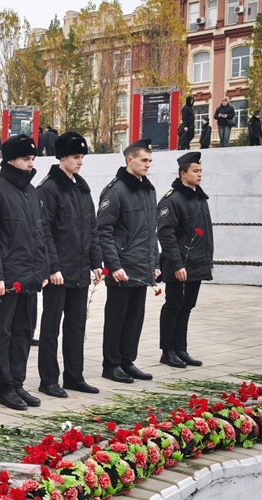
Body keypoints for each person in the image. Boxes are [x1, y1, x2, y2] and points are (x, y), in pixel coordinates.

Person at [0, 134, 52, 411]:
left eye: (32, 159)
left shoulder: (31, 191)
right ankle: (5, 387)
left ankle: (18, 383)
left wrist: (43, 269)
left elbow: (40, 234)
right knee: (3, 332)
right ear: (9, 160)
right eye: (25, 159)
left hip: (29, 275)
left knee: (24, 331)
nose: (31, 164)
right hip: (6, 278)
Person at [37, 132, 102, 397]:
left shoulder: (82, 188)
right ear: (62, 157)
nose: (80, 161)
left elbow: (92, 228)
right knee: (51, 328)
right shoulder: (49, 188)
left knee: (77, 326)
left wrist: (96, 262)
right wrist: (53, 268)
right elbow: (44, 232)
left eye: (82, 157)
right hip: (59, 272)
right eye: (76, 157)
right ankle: (48, 379)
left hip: (80, 269)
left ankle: (74, 376)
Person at [95, 139, 159, 384]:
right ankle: (111, 365)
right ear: (129, 160)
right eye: (144, 160)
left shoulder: (148, 189)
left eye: (150, 161)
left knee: (134, 318)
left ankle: (127, 361)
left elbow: (151, 231)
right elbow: (103, 231)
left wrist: (155, 262)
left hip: (141, 266)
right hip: (122, 267)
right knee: (116, 318)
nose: (148, 165)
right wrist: (114, 266)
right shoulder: (116, 190)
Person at [157, 152, 213, 369]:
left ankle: (181, 349)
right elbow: (166, 234)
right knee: (173, 305)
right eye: (195, 171)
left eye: (201, 171)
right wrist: (177, 264)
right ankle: (168, 351)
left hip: (196, 263)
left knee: (187, 306)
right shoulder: (172, 200)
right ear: (183, 173)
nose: (199, 175)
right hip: (179, 265)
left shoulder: (200, 197)